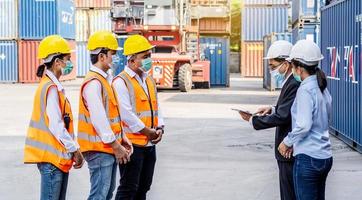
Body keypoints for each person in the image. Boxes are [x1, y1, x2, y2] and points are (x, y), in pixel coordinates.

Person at [23, 35, 84, 200]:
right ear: (57, 62)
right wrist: (75, 149)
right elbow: (57, 125)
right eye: (67, 58)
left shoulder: (51, 86)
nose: (69, 63)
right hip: (52, 160)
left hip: (55, 158)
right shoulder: (50, 88)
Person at [239, 40, 299, 200]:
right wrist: (271, 108)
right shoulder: (289, 82)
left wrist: (254, 120)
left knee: (289, 194)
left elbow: (284, 116)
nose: (271, 70)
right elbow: (287, 108)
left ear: (286, 64)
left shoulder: (294, 83)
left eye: (273, 66)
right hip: (286, 150)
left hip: (288, 150)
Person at [77, 31, 133, 200]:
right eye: (113, 54)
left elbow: (112, 116)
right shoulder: (94, 83)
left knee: (107, 193)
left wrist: (122, 137)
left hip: (106, 147)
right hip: (99, 149)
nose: (115, 58)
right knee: (99, 195)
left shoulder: (104, 80)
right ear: (102, 56)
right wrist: (117, 146)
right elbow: (99, 120)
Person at [278, 40, 333, 200]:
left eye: (293, 66)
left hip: (308, 159)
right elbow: (326, 118)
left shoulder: (305, 90)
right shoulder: (322, 87)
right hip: (325, 156)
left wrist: (287, 142)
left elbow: (303, 125)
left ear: (299, 68)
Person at [113, 35, 165, 200]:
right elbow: (126, 114)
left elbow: (156, 107)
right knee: (128, 189)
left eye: (149, 55)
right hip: (132, 145)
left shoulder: (148, 80)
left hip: (150, 143)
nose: (149, 60)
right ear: (132, 59)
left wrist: (160, 128)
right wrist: (147, 131)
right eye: (145, 57)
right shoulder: (121, 82)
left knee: (144, 188)